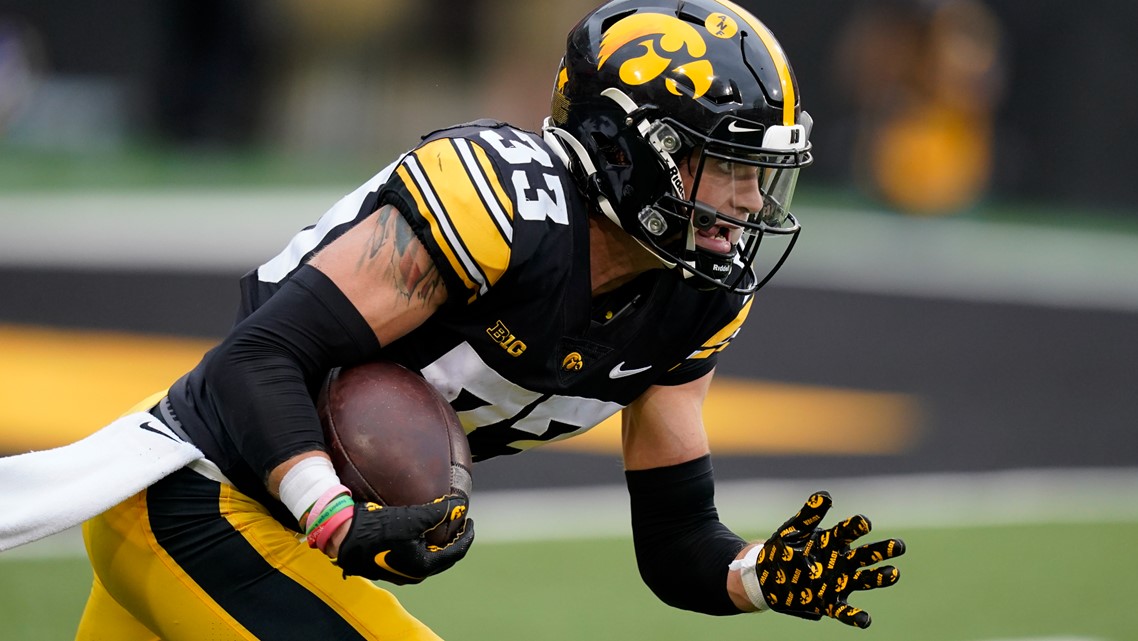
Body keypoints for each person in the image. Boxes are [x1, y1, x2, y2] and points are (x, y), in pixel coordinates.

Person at [70, 0, 905, 638]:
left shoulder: (698, 300)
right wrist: (337, 516)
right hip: (196, 498)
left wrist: (758, 574)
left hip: (266, 535)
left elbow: (677, 537)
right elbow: (251, 359)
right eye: (725, 164)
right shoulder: (500, 203)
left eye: (761, 171)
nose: (748, 201)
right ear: (625, 145)